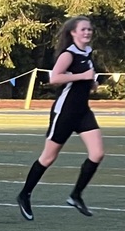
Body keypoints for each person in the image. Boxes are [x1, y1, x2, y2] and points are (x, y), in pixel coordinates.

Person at [16, 16, 104, 220]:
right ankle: (24, 194)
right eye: (83, 29)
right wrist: (81, 77)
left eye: (89, 29)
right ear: (73, 32)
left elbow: (85, 80)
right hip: (64, 112)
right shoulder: (69, 54)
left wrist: (91, 84)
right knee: (48, 157)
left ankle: (76, 195)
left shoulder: (88, 53)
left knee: (97, 153)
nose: (87, 32)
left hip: (83, 112)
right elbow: (54, 78)